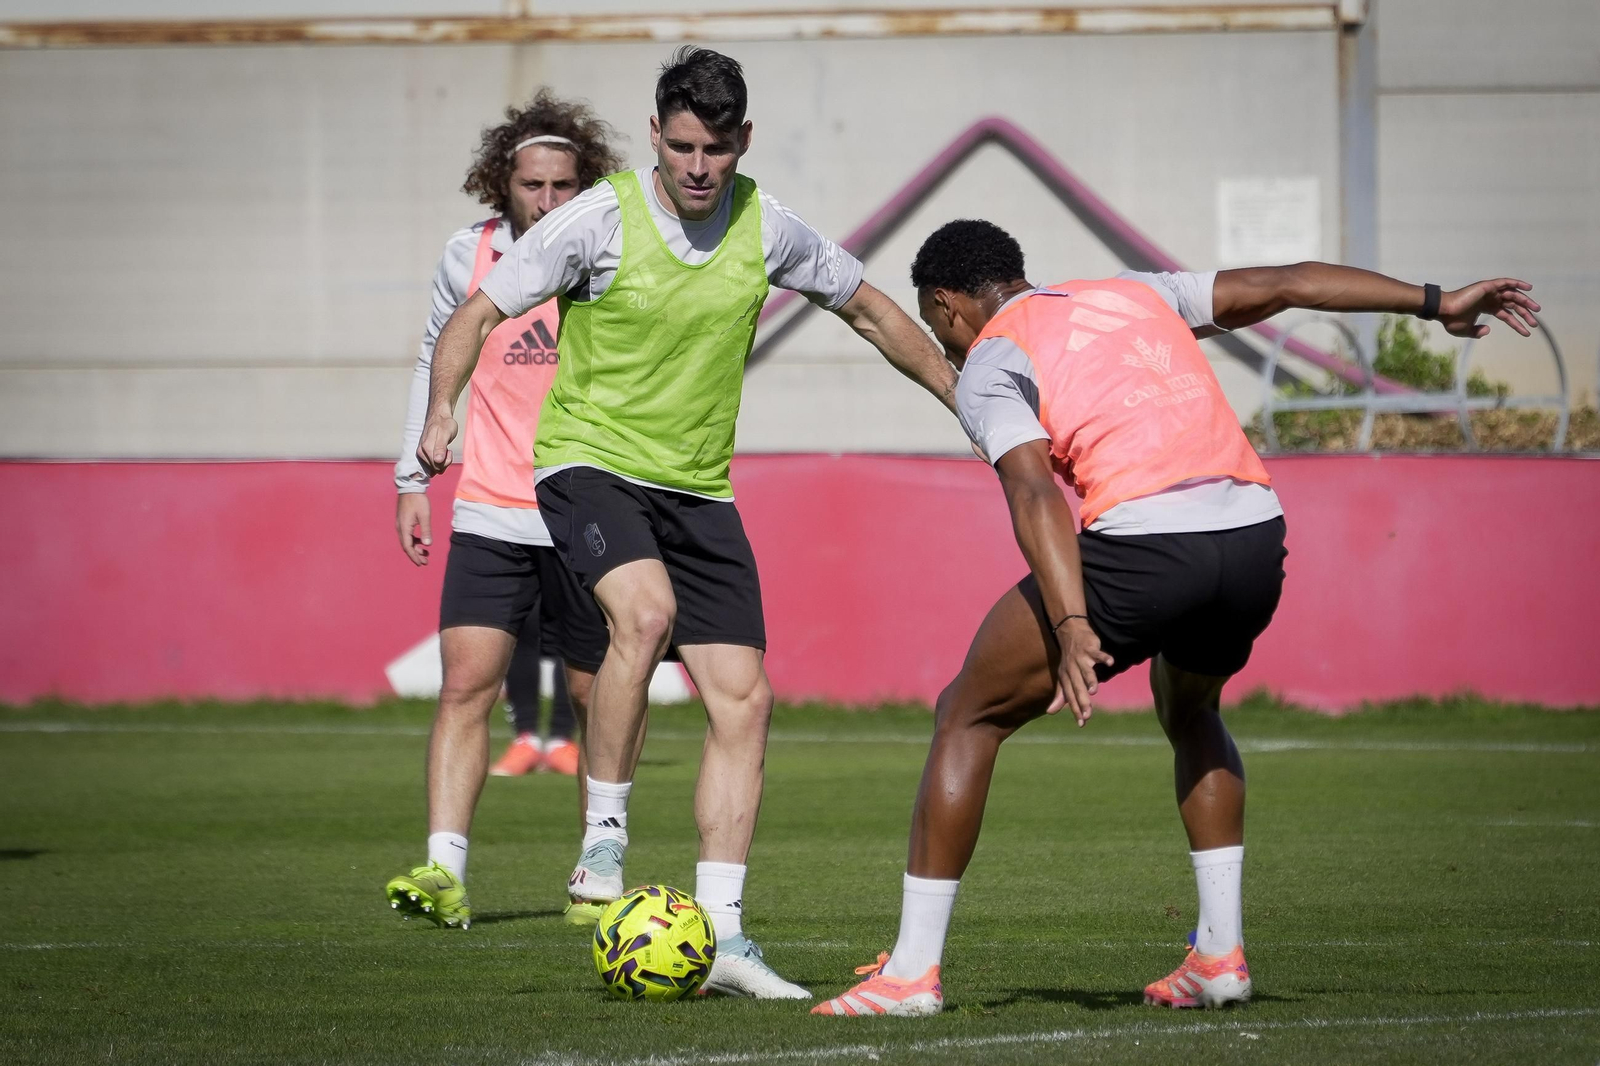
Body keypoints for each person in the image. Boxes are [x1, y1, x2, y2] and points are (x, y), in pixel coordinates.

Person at [814, 219, 1540, 1016]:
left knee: (968, 713)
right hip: (1255, 539)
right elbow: (1289, 283)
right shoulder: (1133, 292)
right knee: (1190, 703)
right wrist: (1435, 302)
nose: (946, 349)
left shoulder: (992, 360)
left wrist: (1070, 625)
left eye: (936, 327)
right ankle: (1219, 957)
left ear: (949, 306)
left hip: (1150, 548)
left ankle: (912, 974)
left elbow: (1032, 492)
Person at [416, 48, 959, 996]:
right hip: (589, 465)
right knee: (644, 615)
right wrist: (440, 411)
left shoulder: (769, 227)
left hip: (700, 489)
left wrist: (964, 395)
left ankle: (725, 936)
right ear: (657, 136)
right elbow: (475, 314)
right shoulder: (596, 219)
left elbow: (869, 309)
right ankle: (604, 843)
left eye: (715, 148)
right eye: (680, 146)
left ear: (743, 141)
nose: (698, 167)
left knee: (745, 700)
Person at [384, 90, 627, 930]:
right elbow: (433, 356)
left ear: (585, 185)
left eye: (565, 186)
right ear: (504, 184)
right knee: (466, 687)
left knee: (601, 697)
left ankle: (599, 870)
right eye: (533, 186)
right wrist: (412, 476)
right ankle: (445, 869)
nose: (549, 202)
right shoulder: (469, 257)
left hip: (589, 509)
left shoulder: (611, 253)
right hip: (489, 510)